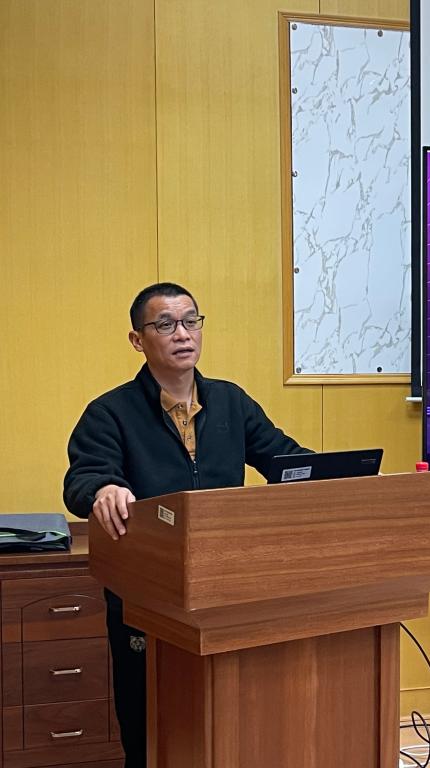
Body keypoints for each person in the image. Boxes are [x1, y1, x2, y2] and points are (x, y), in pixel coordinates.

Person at [63, 282, 310, 767]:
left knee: (229, 714)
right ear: (138, 340)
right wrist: (103, 489)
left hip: (226, 587)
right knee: (153, 719)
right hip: (148, 593)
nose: (182, 334)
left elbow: (285, 459)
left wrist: (343, 475)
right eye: (165, 324)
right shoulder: (110, 412)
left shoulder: (231, 402)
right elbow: (82, 480)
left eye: (190, 321)